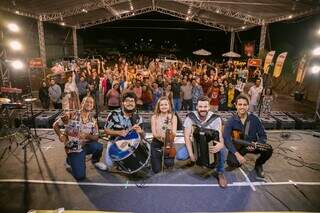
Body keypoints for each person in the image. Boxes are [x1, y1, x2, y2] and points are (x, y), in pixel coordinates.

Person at [176, 96, 228, 188]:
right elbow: (186, 137)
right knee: (180, 155)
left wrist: (221, 144)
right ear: (196, 107)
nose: (203, 109)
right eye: (200, 107)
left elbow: (220, 135)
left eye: (205, 107)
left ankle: (220, 173)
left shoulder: (215, 118)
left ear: (209, 107)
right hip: (194, 144)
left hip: (210, 145)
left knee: (222, 151)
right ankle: (193, 160)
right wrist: (191, 154)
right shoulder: (191, 117)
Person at [53, 96, 107, 180]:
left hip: (86, 145)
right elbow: (55, 125)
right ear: (82, 103)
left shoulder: (93, 120)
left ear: (92, 106)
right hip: (73, 147)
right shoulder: (71, 115)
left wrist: (86, 135)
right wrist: (60, 135)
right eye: (87, 102)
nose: (89, 104)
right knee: (80, 176)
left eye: (91, 102)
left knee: (99, 146)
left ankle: (95, 161)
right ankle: (69, 161)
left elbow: (96, 137)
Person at [223, 94, 273, 179]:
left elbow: (263, 135)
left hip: (252, 145)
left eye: (245, 105)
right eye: (240, 104)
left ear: (248, 106)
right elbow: (227, 139)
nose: (242, 107)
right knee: (232, 163)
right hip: (239, 147)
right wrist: (237, 155)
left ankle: (259, 164)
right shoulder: (230, 121)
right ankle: (238, 160)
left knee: (268, 149)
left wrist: (257, 144)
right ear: (235, 105)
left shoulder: (254, 119)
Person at [104, 92, 145, 168]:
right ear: (122, 103)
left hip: (131, 143)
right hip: (115, 143)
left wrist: (141, 132)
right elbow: (106, 131)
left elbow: (143, 137)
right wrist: (118, 133)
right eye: (127, 101)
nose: (130, 103)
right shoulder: (114, 114)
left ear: (135, 103)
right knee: (109, 164)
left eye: (132, 101)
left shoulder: (138, 118)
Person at [151, 97, 177, 173]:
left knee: (169, 164)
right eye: (161, 105)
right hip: (157, 143)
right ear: (158, 106)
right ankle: (155, 157)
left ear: (169, 106)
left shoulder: (173, 117)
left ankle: (165, 158)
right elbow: (154, 134)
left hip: (169, 143)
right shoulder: (154, 117)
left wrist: (168, 134)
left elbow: (174, 134)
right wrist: (162, 138)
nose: (164, 106)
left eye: (166, 104)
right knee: (156, 170)